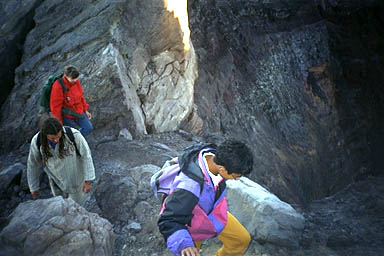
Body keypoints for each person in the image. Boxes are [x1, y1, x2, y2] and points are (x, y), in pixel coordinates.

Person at [157, 139, 254, 256]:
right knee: (192, 252)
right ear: (222, 169)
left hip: (214, 212)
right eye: (235, 176)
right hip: (190, 223)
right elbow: (169, 219)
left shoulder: (214, 157)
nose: (236, 179)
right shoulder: (189, 186)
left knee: (241, 240)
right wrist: (184, 244)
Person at [27, 117, 95, 206]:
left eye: (58, 137)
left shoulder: (74, 135)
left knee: (77, 208)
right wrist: (33, 187)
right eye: (52, 138)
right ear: (45, 135)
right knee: (62, 208)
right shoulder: (37, 142)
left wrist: (88, 181)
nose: (56, 140)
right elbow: (33, 165)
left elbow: (86, 156)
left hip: (76, 181)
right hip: (56, 182)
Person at [50, 65, 93, 136]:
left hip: (79, 110)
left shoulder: (75, 81)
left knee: (88, 128)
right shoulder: (58, 86)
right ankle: (72, 142)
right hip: (67, 115)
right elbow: (55, 106)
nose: (75, 80)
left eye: (76, 78)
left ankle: (76, 140)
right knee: (69, 134)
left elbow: (80, 96)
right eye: (73, 79)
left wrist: (85, 110)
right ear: (66, 76)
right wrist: (59, 122)